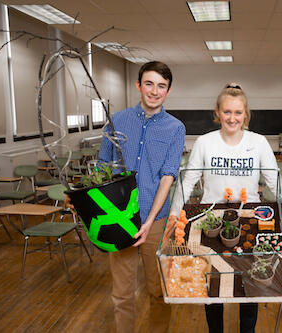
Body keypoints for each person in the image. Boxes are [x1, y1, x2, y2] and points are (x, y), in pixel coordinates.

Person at [169, 83, 282, 333]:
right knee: (213, 286)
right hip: (210, 221)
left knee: (249, 284)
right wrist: (173, 213)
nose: (232, 118)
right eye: (227, 112)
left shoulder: (258, 142)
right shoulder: (204, 142)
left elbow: (275, 182)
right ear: (218, 112)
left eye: (238, 112)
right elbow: (187, 182)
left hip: (249, 221)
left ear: (246, 114)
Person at [99, 61, 185, 333]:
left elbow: (168, 177)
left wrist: (148, 222)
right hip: (120, 217)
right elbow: (103, 165)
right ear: (138, 85)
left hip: (156, 220)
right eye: (149, 84)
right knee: (122, 294)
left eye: (161, 86)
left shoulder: (175, 128)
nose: (154, 91)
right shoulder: (117, 121)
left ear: (168, 91)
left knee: (158, 290)